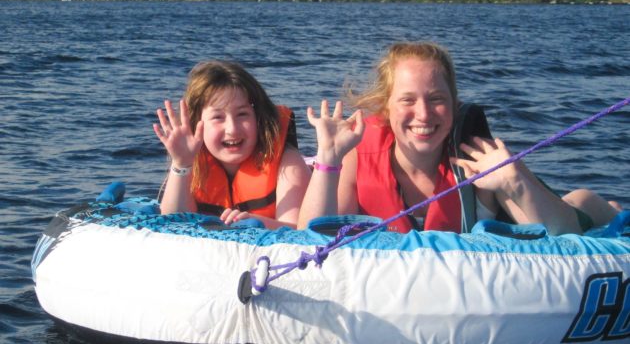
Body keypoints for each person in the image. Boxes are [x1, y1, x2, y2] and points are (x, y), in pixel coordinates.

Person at [297, 42, 621, 235]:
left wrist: (514, 180)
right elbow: (309, 237)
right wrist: (328, 159)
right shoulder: (358, 155)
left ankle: (602, 204)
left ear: (454, 104)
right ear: (386, 108)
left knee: (581, 205)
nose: (424, 115)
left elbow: (566, 233)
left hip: (567, 210)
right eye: (408, 100)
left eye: (437, 99)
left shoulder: (477, 159)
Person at [154, 60, 311, 229]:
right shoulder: (190, 159)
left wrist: (257, 224)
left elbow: (299, 230)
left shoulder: (288, 163)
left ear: (258, 118)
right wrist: (181, 164)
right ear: (197, 123)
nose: (232, 129)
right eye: (217, 117)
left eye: (242, 114)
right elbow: (172, 223)